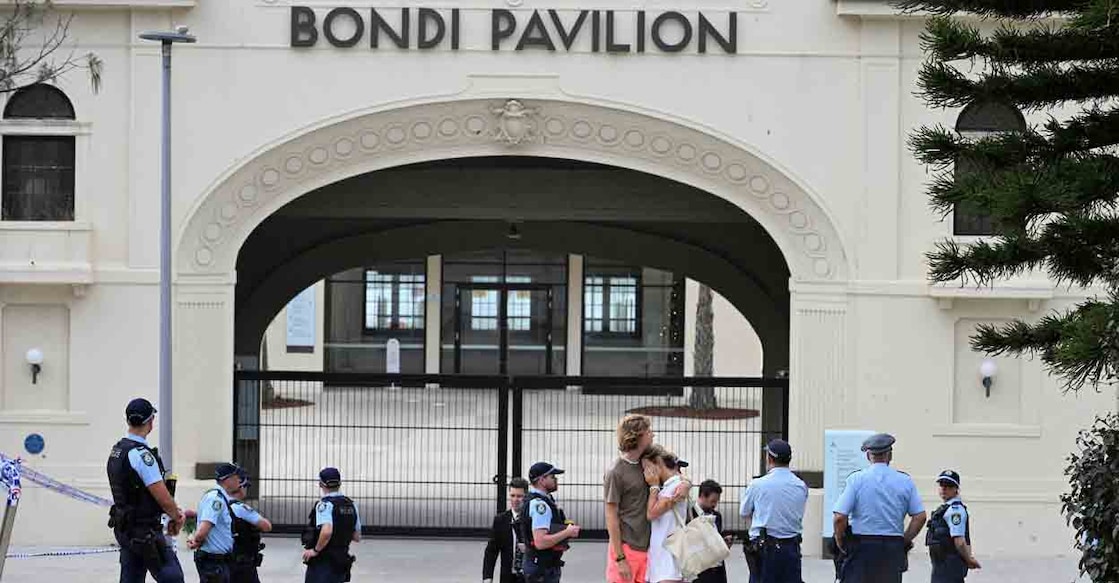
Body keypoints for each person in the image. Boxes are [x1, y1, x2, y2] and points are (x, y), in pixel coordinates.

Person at [106, 397, 186, 583]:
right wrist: (177, 516)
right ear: (150, 422)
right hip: (145, 531)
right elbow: (162, 496)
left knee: (131, 578)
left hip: (125, 528)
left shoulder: (118, 450)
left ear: (128, 421)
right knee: (172, 577)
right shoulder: (142, 455)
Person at [833, 433, 928, 583]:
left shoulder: (856, 480)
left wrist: (840, 541)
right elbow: (920, 516)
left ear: (868, 456)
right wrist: (904, 539)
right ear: (890, 455)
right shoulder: (905, 481)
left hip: (861, 546)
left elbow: (840, 517)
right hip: (892, 547)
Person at [739, 439, 809, 583]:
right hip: (791, 547)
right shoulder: (800, 485)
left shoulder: (757, 484)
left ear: (769, 458)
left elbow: (744, 512)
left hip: (764, 547)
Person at [604, 414, 655, 583]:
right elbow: (611, 516)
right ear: (637, 435)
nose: (653, 434)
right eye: (648, 431)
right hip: (627, 548)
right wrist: (620, 558)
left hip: (648, 548)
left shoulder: (648, 462)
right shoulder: (615, 472)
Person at [520, 462, 580, 583]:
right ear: (542, 480)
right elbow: (540, 542)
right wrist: (567, 532)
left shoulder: (545, 500)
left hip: (543, 567)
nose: (556, 480)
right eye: (552, 477)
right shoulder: (540, 505)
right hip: (541, 570)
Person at [302, 467, 361, 583]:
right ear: (339, 483)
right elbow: (357, 536)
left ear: (321, 484)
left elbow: (327, 531)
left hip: (323, 562)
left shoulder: (325, 505)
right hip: (341, 561)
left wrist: (315, 550)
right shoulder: (351, 505)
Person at [188, 463, 244, 582]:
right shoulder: (215, 499)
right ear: (226, 480)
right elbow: (204, 529)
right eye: (236, 477)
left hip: (218, 561)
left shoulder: (220, 498)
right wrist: (197, 540)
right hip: (213, 562)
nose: (239, 480)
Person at [644, 445, 692, 583]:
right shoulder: (671, 485)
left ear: (657, 463)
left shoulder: (674, 486)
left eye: (647, 467)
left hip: (669, 558)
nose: (645, 473)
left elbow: (652, 513)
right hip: (663, 557)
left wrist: (653, 486)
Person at [925, 470, 981, 583]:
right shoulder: (945, 509)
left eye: (949, 485)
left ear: (956, 489)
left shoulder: (956, 511)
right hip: (942, 565)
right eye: (942, 484)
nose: (944, 488)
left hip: (949, 566)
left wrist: (969, 560)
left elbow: (959, 541)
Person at [229, 469, 273, 583]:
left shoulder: (220, 504)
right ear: (240, 488)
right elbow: (266, 526)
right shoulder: (241, 509)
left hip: (224, 561)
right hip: (242, 564)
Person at [484, 477, 531, 583]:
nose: (515, 500)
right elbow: (491, 551)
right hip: (508, 576)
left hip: (530, 576)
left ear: (526, 496)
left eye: (519, 496)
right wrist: (487, 577)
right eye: (512, 495)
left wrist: (529, 549)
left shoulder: (532, 519)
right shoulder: (501, 520)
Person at [690, 479, 732, 583]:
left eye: (717, 501)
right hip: (700, 572)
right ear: (703, 496)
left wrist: (724, 544)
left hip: (717, 572)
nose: (715, 504)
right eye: (713, 501)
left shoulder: (717, 516)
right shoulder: (689, 515)